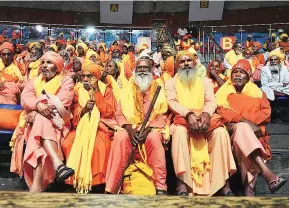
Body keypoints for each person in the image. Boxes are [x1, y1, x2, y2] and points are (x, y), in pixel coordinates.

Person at [165, 51, 236, 196]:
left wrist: (205, 114)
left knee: (221, 133)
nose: (186, 64)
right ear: (177, 65)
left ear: (195, 63)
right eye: (182, 61)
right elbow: (172, 102)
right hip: (182, 120)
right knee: (178, 132)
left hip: (205, 119)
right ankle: (182, 183)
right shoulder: (171, 83)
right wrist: (189, 114)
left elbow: (211, 101)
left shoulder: (205, 81)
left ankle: (223, 183)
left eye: (188, 60)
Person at [216, 59, 287, 196]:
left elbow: (265, 114)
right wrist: (247, 122)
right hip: (229, 135)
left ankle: (250, 187)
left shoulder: (259, 93)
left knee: (242, 132)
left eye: (241, 72)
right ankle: (264, 176)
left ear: (248, 76)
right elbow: (221, 111)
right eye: (235, 72)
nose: (237, 75)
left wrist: (240, 120)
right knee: (242, 129)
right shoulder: (223, 92)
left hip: (253, 136)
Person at [10, 51, 75, 192]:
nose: (44, 66)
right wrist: (38, 106)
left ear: (57, 66)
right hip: (32, 124)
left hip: (57, 124)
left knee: (39, 126)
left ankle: (36, 186)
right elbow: (25, 99)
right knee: (39, 125)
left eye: (49, 63)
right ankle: (58, 165)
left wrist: (36, 108)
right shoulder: (34, 81)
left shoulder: (66, 80)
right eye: (43, 62)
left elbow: (64, 100)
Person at [105, 59, 169, 195]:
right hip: (130, 128)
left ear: (152, 70)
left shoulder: (158, 88)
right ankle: (113, 187)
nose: (142, 71)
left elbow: (162, 114)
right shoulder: (126, 89)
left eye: (145, 68)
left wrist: (147, 129)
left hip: (151, 129)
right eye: (139, 68)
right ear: (135, 71)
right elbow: (119, 114)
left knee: (154, 138)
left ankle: (160, 187)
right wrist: (129, 129)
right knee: (120, 137)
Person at [62, 61, 117, 194]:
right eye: (84, 76)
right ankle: (74, 180)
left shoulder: (106, 90)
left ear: (97, 77)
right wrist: (84, 109)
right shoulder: (76, 91)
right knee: (68, 143)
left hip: (100, 127)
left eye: (90, 76)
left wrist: (97, 92)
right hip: (79, 127)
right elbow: (72, 114)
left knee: (100, 146)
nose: (86, 79)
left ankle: (96, 183)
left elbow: (110, 112)